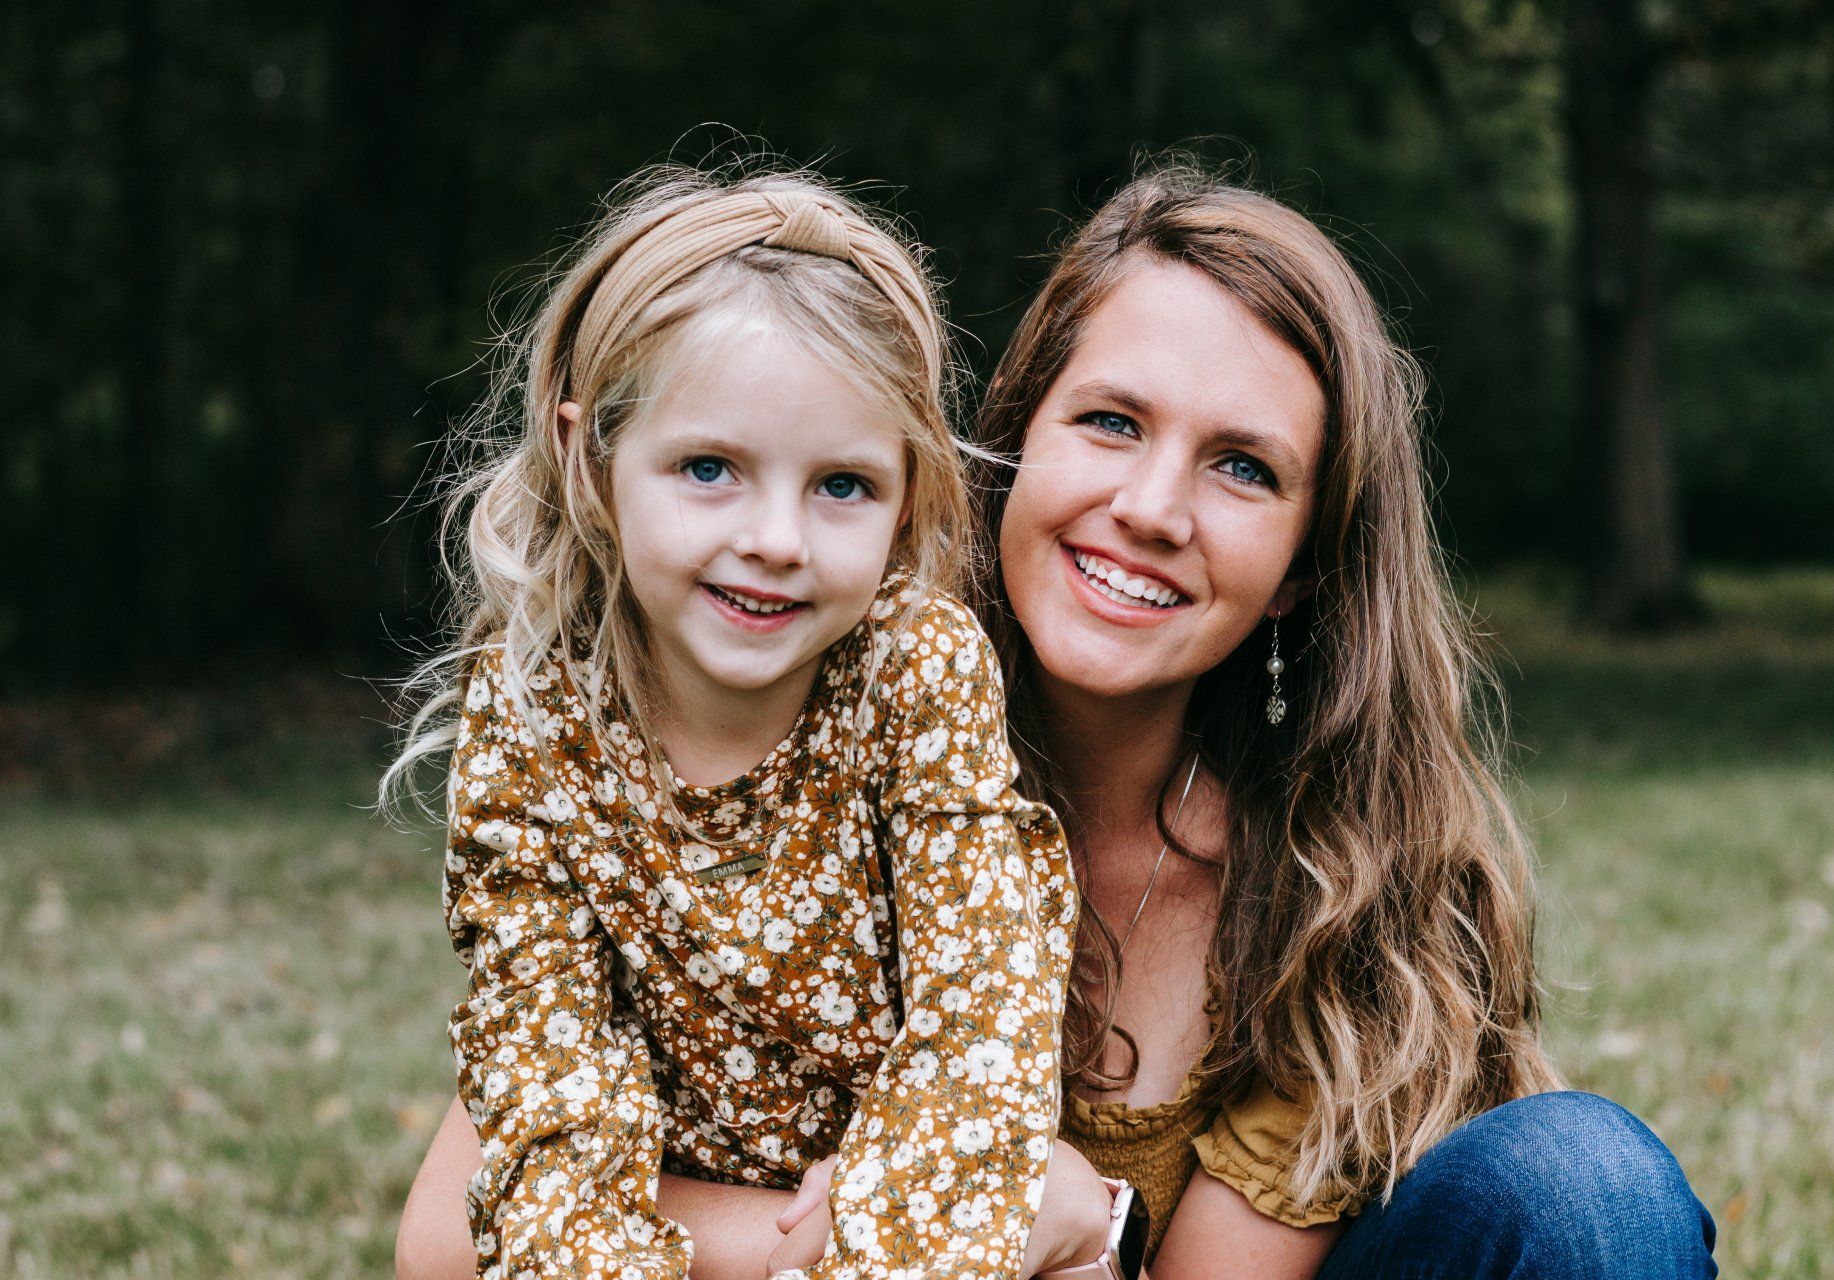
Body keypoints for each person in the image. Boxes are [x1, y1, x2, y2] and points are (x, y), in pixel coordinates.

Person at [396, 164, 1718, 1280]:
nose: (1153, 506)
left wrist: (1094, 1222)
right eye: (1110, 423)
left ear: (1306, 566)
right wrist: (952, 1221)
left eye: (1242, 468)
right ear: (1003, 445)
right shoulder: (774, 719)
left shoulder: (1341, 862)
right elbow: (465, 1231)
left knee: (1579, 1184)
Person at [386, 166, 1111, 1280]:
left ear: (909, 495)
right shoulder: (535, 708)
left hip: (923, 1220)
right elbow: (549, 1075)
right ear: (592, 457)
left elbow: (984, 1020)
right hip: (664, 1228)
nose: (777, 537)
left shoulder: (913, 672)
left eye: (842, 485)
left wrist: (892, 1234)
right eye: (710, 468)